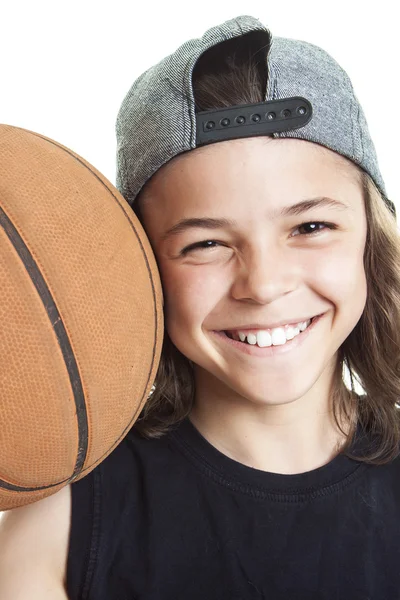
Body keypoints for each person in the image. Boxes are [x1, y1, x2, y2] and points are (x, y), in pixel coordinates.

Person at [1, 14, 399, 600]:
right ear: (141, 265)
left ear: (372, 235)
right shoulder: (56, 529)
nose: (263, 285)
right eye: (205, 244)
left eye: (311, 226)